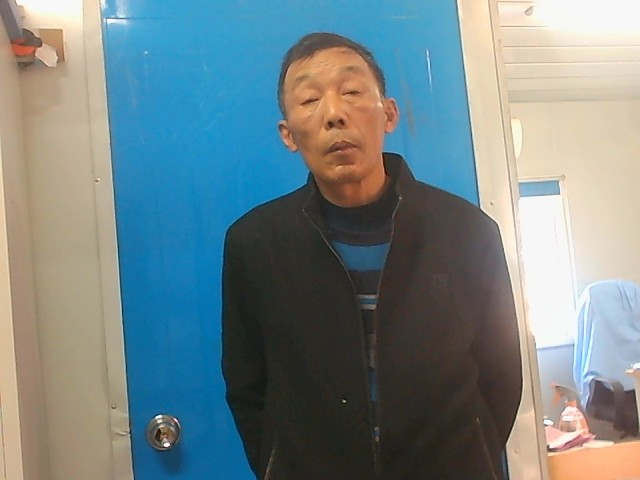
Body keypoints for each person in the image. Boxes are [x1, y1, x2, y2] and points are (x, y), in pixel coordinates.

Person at [222, 32, 522, 480]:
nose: (334, 114)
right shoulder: (254, 243)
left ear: (389, 113)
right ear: (288, 135)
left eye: (352, 92)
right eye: (309, 100)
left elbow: (502, 375)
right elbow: (248, 387)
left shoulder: (467, 231)